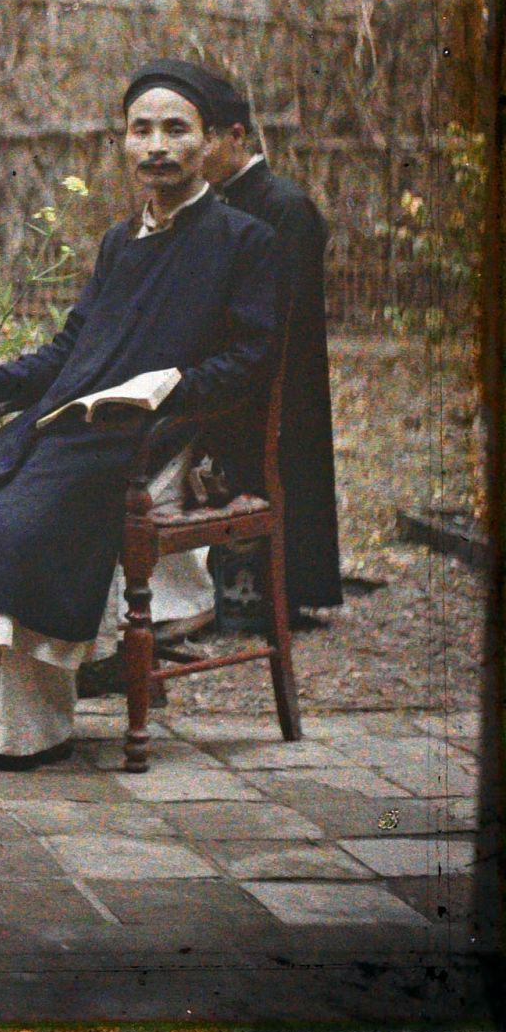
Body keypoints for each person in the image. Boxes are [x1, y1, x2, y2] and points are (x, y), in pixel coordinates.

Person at [0, 61, 280, 769]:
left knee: (21, 528)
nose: (157, 145)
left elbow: (251, 360)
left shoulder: (246, 241)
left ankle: (37, 724)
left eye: (176, 129)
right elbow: (71, 347)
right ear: (123, 142)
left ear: (210, 141)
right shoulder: (122, 241)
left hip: (160, 439)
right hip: (69, 425)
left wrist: (166, 389)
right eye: (140, 129)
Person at [198, 67, 343, 619]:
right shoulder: (221, 202)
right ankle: (244, 593)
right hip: (235, 368)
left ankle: (283, 596)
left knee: (282, 478)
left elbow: (286, 309)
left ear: (238, 136)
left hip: (283, 371)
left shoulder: (284, 205)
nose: (199, 150)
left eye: (207, 136)